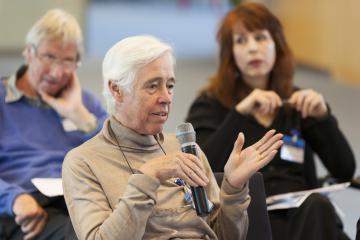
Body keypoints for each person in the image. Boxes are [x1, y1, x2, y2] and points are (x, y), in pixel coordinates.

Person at [62, 35, 283, 239]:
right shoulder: (83, 162)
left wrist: (233, 189)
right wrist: (148, 177)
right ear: (116, 90)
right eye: (153, 86)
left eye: (170, 85)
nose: (166, 97)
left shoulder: (185, 147)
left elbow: (225, 236)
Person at [185, 2, 356, 240]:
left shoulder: (297, 102)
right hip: (246, 218)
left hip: (304, 215)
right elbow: (201, 172)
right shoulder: (211, 104)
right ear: (230, 54)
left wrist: (322, 118)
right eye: (241, 41)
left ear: (277, 45)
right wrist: (239, 114)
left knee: (318, 208)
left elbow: (345, 169)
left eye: (261, 38)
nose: (253, 48)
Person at [0, 9, 107, 239]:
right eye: (49, 57)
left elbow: (123, 152)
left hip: (79, 202)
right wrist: (14, 199)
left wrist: (80, 116)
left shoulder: (84, 103)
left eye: (68, 61)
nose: (58, 73)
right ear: (29, 53)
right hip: (22, 206)